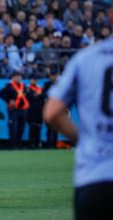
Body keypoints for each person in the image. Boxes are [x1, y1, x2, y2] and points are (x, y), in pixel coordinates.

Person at [43, 5, 113, 218]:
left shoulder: (86, 58)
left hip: (94, 178)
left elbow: (52, 112)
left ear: (109, 18)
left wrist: (82, 138)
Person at [0, 72, 30, 149]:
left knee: (21, 127)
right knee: (13, 127)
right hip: (13, 110)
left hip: (23, 109)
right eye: (16, 77)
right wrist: (9, 100)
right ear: (12, 78)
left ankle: (19, 144)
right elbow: (1, 94)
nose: (18, 78)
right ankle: (13, 145)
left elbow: (27, 95)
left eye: (19, 77)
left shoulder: (23, 86)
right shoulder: (9, 86)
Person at [26, 74, 44, 149]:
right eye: (33, 79)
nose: (34, 80)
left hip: (39, 110)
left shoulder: (40, 88)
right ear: (30, 80)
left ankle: (37, 143)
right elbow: (30, 96)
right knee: (32, 127)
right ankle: (31, 144)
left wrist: (37, 95)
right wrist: (37, 95)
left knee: (38, 128)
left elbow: (42, 97)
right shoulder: (27, 88)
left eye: (36, 79)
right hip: (31, 109)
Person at [42, 69, 59, 148]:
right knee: (49, 127)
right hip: (49, 108)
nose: (53, 77)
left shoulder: (60, 84)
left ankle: (55, 144)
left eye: (54, 75)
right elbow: (43, 95)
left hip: (57, 108)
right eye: (52, 75)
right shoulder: (46, 84)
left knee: (56, 128)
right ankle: (49, 145)